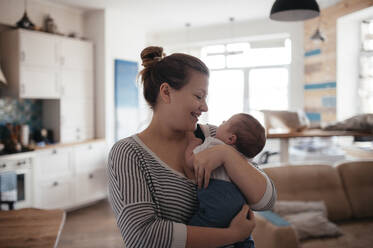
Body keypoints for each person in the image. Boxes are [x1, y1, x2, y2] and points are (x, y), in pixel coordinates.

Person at [107, 46, 277, 248]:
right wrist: (232, 235)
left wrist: (225, 154)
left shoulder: (215, 137)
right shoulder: (128, 154)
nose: (205, 107)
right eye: (198, 96)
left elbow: (266, 200)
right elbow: (144, 237)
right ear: (166, 92)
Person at [186, 113, 267, 248]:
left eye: (226, 121)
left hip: (218, 200)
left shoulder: (213, 144)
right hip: (240, 205)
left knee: (199, 225)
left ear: (230, 138)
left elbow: (191, 163)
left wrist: (192, 146)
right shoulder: (245, 160)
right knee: (244, 238)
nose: (222, 121)